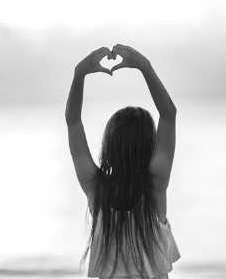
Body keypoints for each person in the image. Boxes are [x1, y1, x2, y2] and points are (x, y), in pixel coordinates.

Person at [65, 44, 180, 279]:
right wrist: (144, 67)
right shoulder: (155, 184)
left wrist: (79, 74)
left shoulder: (95, 187)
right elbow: (168, 114)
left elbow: (73, 122)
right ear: (149, 143)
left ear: (110, 143)